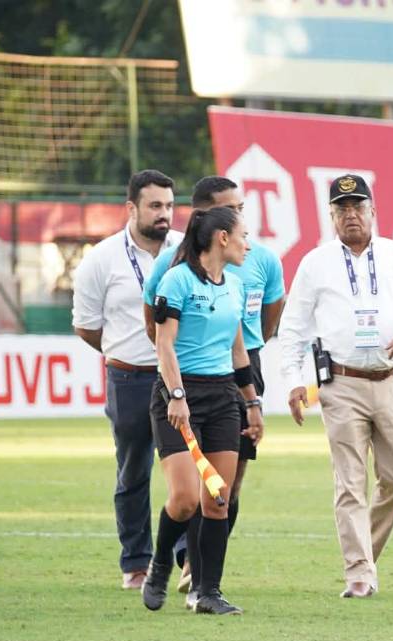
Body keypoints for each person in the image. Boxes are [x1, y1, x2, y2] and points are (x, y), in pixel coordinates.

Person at [278, 174, 393, 599]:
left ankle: (365, 553)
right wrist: (294, 382)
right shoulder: (315, 263)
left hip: (391, 379)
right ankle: (359, 573)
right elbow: (292, 329)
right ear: (331, 215)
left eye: (358, 206)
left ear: (373, 211)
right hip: (341, 383)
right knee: (349, 482)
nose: (351, 215)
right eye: (342, 208)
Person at [143, 176, 285, 608]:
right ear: (221, 238)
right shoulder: (177, 280)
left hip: (225, 396)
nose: (249, 244)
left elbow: (239, 348)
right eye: (243, 236)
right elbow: (163, 343)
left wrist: (252, 403)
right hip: (180, 396)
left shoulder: (238, 285)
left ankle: (209, 592)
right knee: (185, 500)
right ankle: (161, 566)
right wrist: (178, 396)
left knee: (219, 498)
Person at [71, 169, 182, 590]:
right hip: (130, 378)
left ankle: (187, 560)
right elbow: (86, 326)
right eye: (155, 206)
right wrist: (125, 351)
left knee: (186, 470)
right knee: (134, 471)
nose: (164, 215)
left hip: (181, 378)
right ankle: (136, 564)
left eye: (169, 206)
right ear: (131, 208)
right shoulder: (100, 259)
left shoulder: (184, 250)